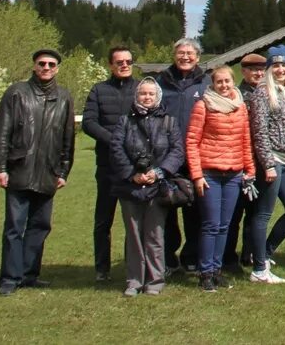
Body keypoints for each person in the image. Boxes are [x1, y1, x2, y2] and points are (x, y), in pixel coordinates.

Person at [0, 48, 75, 296]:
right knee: (15, 227)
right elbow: (0, 133)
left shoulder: (64, 97)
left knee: (40, 226)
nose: (46, 68)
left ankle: (29, 274)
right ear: (34, 66)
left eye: (51, 64)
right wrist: (0, 167)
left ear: (57, 68)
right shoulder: (17, 93)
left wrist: (63, 171)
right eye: (42, 64)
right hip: (19, 170)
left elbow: (67, 138)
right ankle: (9, 278)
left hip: (48, 172)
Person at [108, 77, 183, 297]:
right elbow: (116, 149)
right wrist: (133, 175)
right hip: (130, 187)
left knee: (155, 235)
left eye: (151, 94)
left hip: (157, 187)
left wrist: (158, 173)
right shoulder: (125, 121)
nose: (147, 97)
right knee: (133, 235)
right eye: (143, 94)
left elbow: (177, 151)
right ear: (136, 96)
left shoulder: (169, 121)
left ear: (158, 96)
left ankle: (155, 280)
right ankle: (134, 280)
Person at [186, 65, 256, 292]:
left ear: (233, 82)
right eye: (219, 82)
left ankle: (217, 270)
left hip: (234, 174)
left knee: (225, 225)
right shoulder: (203, 105)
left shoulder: (240, 106)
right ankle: (205, 272)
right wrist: (197, 175)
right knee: (211, 225)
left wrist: (249, 169)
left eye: (227, 81)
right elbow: (192, 142)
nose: (224, 86)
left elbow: (245, 140)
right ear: (213, 84)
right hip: (210, 174)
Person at [247, 44, 285, 281]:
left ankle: (264, 252)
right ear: (268, 69)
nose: (280, 69)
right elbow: (260, 132)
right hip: (271, 160)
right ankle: (260, 270)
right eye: (275, 65)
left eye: (284, 65)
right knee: (263, 213)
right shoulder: (262, 94)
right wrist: (268, 163)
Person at [81, 46, 139, 282]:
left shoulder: (140, 89)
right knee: (103, 219)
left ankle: (130, 266)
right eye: (119, 62)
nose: (124, 65)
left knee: (132, 220)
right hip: (107, 165)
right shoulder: (99, 90)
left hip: (134, 166)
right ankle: (101, 268)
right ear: (110, 65)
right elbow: (89, 122)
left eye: (128, 61)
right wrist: (114, 140)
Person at [158, 37, 208, 274]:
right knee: (166, 210)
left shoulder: (206, 84)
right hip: (166, 157)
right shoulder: (161, 82)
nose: (185, 57)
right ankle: (168, 258)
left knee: (195, 211)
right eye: (181, 53)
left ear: (198, 58)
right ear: (174, 55)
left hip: (196, 157)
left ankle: (191, 257)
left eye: (190, 53)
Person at [223, 52, 268, 271]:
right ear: (244, 72)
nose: (258, 73)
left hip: (261, 161)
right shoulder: (235, 95)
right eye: (253, 70)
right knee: (234, 213)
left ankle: (249, 254)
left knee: (256, 212)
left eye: (261, 70)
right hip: (239, 160)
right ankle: (228, 256)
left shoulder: (267, 93)